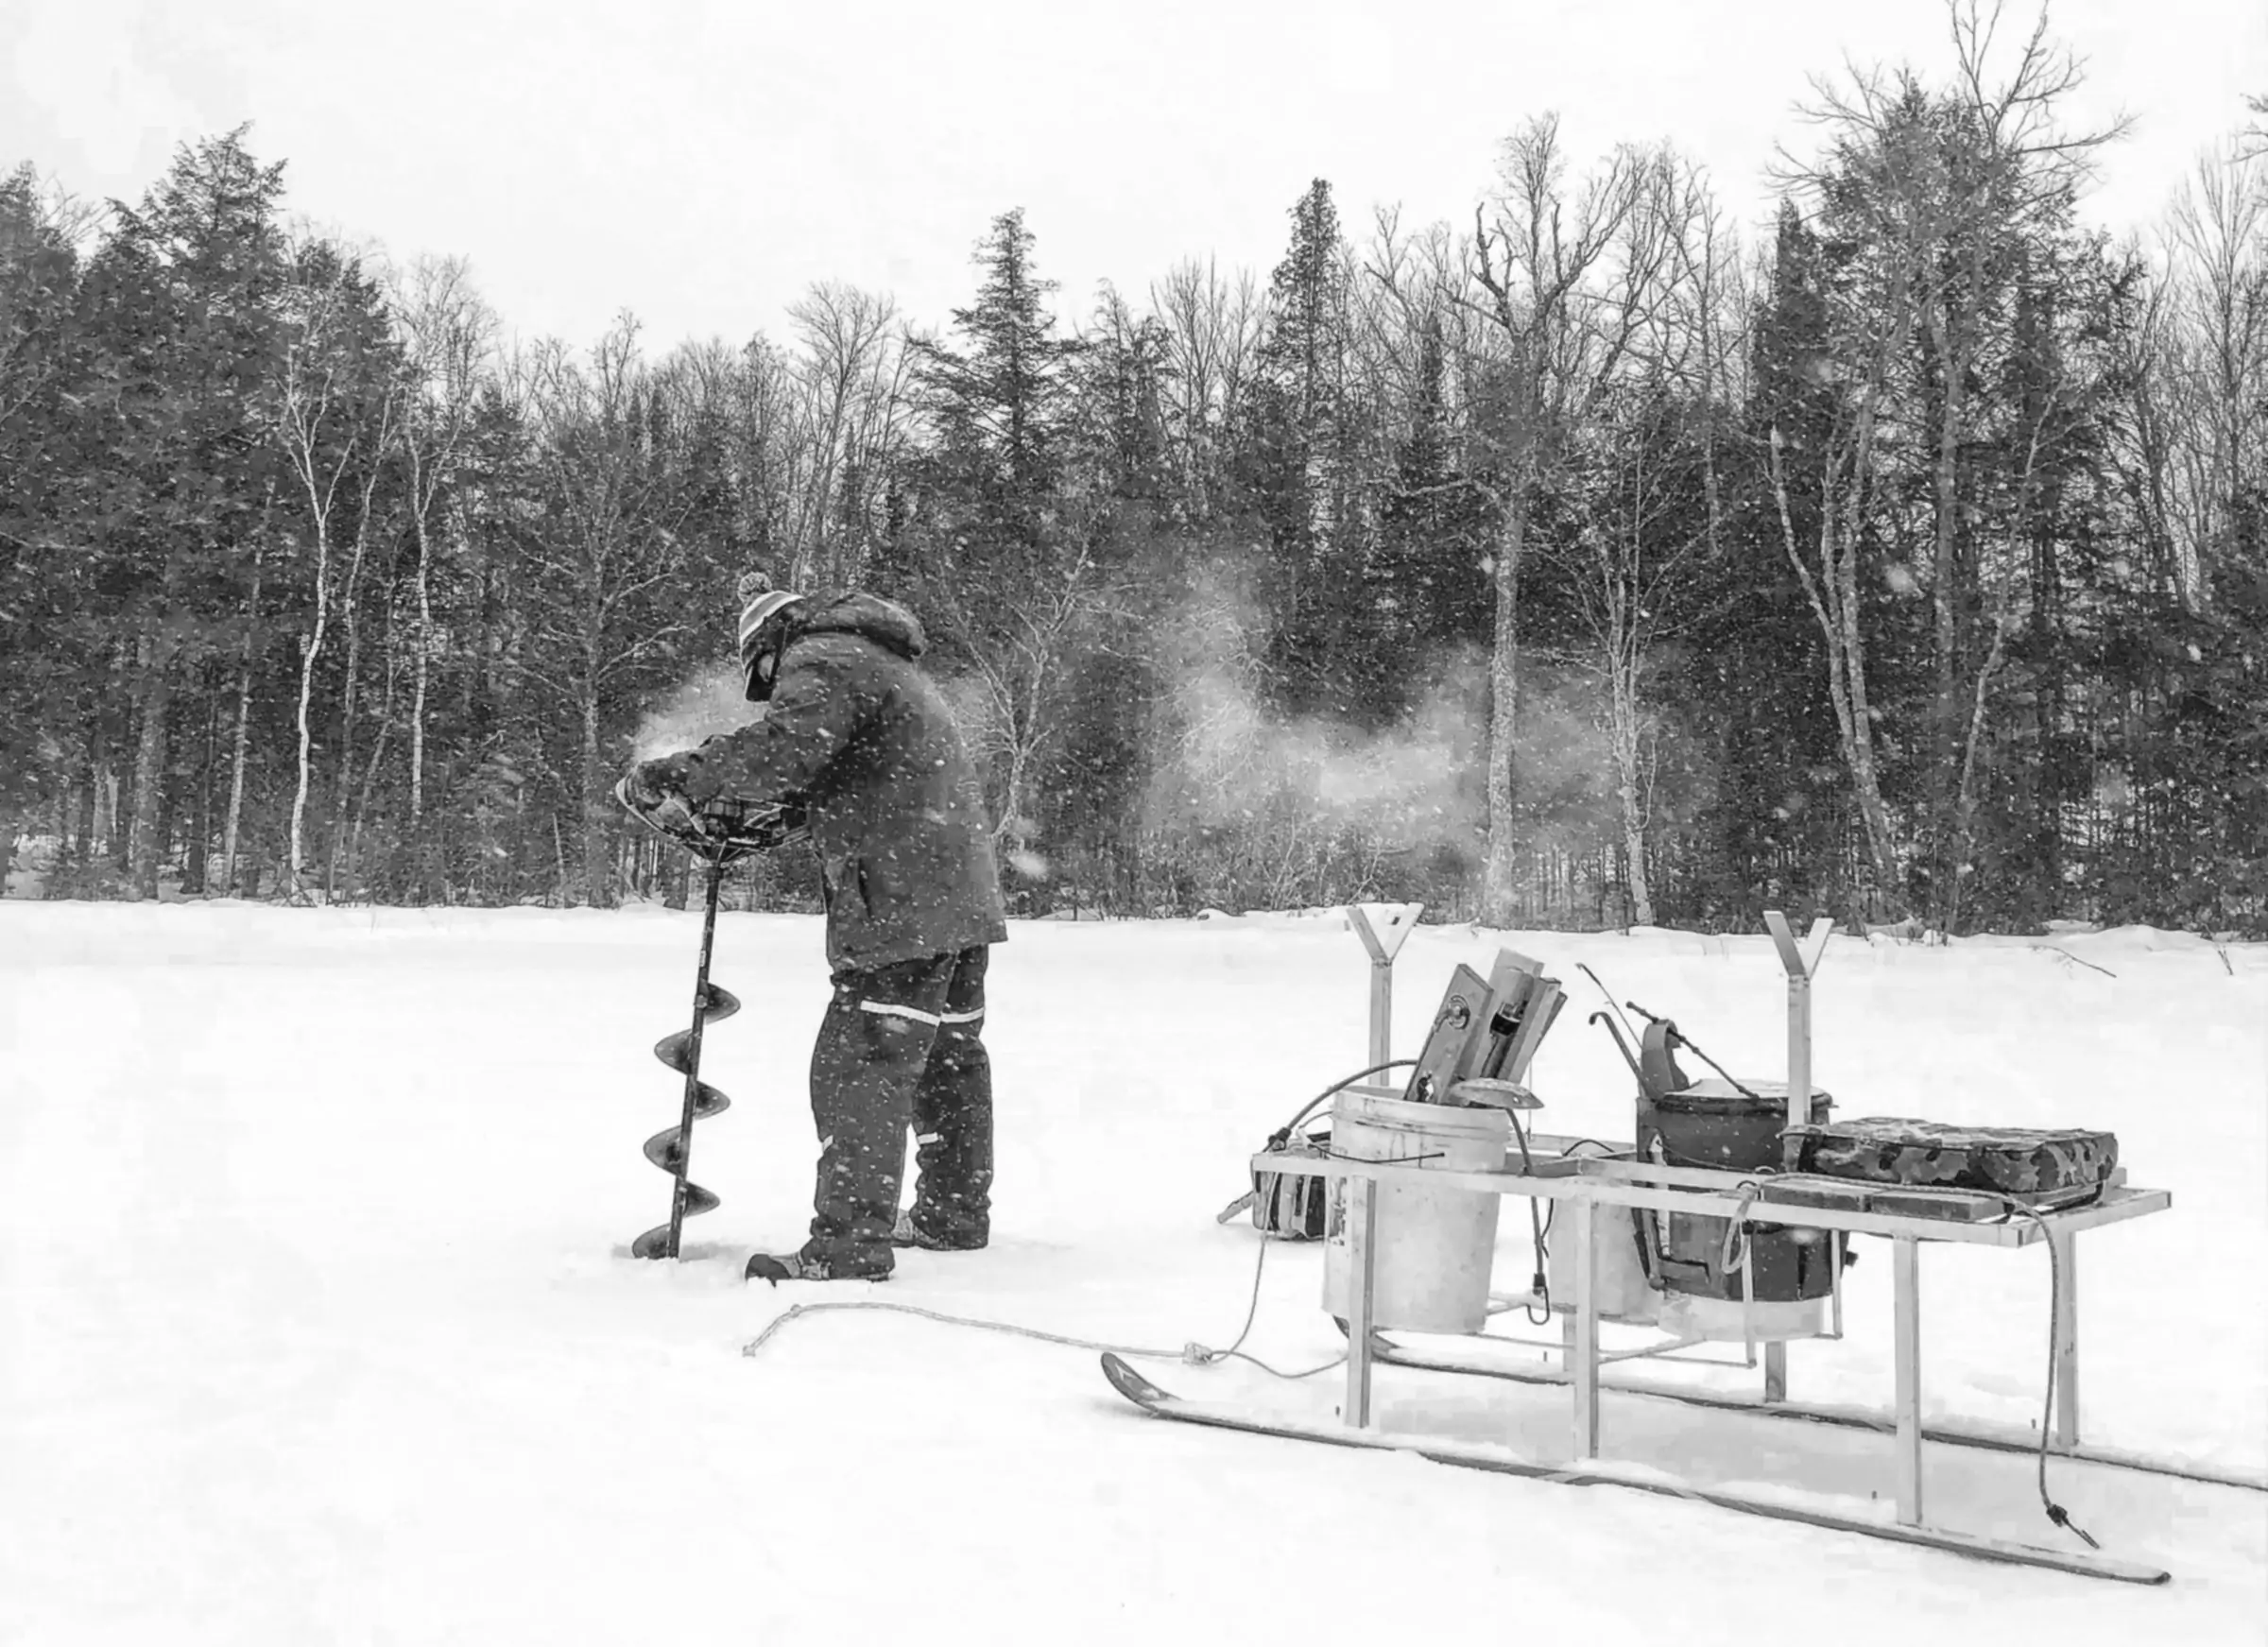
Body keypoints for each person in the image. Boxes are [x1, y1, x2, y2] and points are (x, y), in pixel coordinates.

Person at [621, 570, 1008, 1284]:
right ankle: (953, 1212)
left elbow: (785, 748)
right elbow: (828, 777)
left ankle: (848, 1244)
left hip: (900, 895)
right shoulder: (878, 660)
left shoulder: (824, 654)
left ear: (768, 644)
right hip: (955, 890)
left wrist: (680, 774)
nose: (770, 692)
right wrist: (756, 823)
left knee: (859, 1060)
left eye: (764, 681)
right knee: (949, 1057)